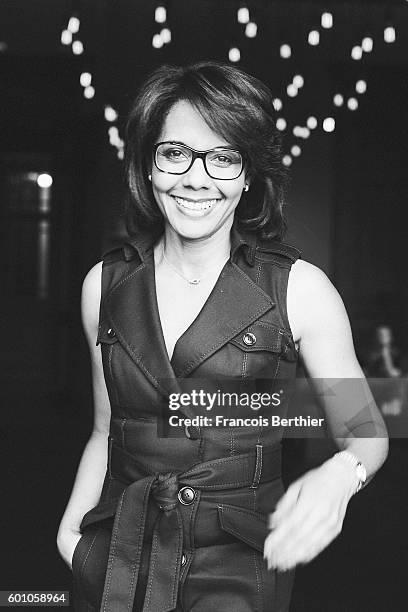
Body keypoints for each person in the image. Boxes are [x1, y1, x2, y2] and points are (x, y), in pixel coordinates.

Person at [57, 61, 389, 612]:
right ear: (149, 163)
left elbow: (367, 431)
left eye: (223, 157)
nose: (196, 178)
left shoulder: (302, 290)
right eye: (174, 153)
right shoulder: (104, 284)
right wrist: (70, 533)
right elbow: (104, 430)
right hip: (118, 553)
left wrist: (341, 474)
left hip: (240, 563)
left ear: (248, 175)